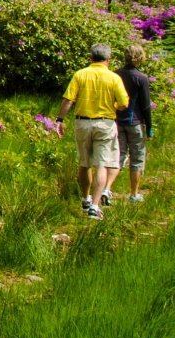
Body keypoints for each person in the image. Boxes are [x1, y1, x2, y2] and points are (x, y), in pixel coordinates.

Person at [57, 42, 129, 219]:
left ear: (91, 57)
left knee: (84, 163)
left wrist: (59, 119)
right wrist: (114, 106)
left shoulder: (80, 74)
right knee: (101, 164)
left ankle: (85, 198)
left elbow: (68, 100)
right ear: (108, 59)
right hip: (105, 124)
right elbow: (124, 103)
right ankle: (94, 207)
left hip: (83, 122)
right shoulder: (113, 78)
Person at [115, 50, 154, 204]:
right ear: (140, 58)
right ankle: (134, 194)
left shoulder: (115, 74)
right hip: (135, 122)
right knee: (137, 159)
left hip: (116, 121)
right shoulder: (141, 77)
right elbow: (145, 106)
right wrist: (149, 127)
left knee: (118, 156)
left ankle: (106, 190)